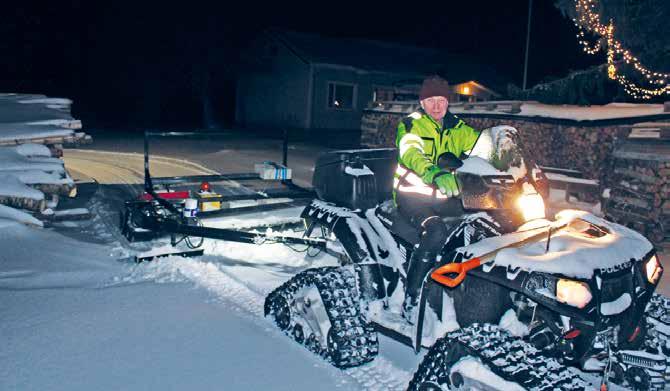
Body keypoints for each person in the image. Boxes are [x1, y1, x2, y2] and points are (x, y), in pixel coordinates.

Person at [394, 75, 481, 323]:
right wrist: (433, 172)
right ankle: (412, 298)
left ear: (447, 102)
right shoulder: (411, 125)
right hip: (412, 196)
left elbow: (484, 147)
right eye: (430, 100)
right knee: (436, 232)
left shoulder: (457, 127)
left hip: (446, 196)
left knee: (480, 224)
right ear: (422, 102)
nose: (436, 106)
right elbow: (411, 152)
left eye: (441, 100)